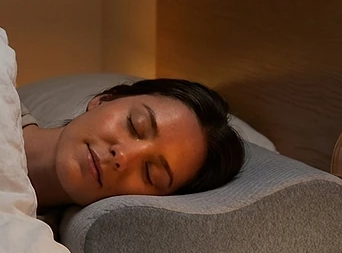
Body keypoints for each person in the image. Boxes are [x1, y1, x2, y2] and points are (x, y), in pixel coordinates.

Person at [22, 78, 245, 211]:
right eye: (135, 126)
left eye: (151, 173)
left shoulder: (33, 247)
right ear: (104, 99)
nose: (123, 156)